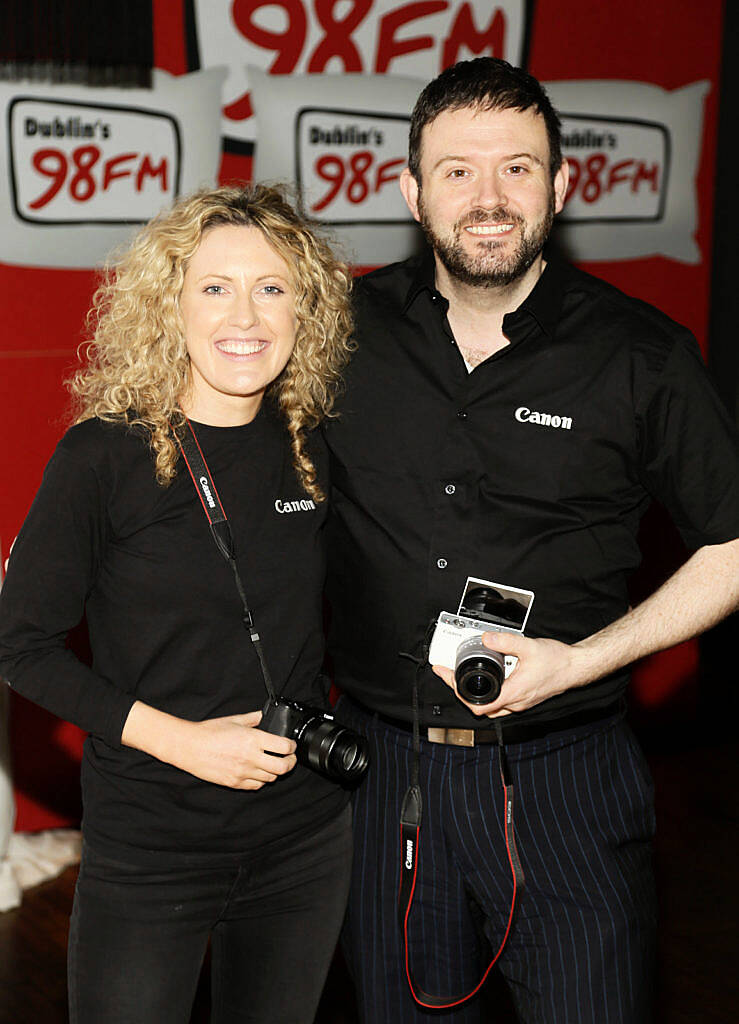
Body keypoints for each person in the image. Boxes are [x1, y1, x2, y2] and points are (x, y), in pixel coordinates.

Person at [323, 58, 739, 1023]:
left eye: (517, 168)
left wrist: (582, 660)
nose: (488, 199)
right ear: (410, 189)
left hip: (564, 778)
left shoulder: (643, 356)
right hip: (383, 777)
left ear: (560, 185)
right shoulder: (338, 330)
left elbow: (731, 545)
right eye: (458, 170)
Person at [0, 183, 355, 1024]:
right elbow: (19, 643)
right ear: (171, 306)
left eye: (272, 288)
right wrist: (181, 743)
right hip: (152, 842)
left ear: (304, 311)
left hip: (303, 841)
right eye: (215, 286)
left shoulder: (318, 445)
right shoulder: (104, 457)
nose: (246, 314)